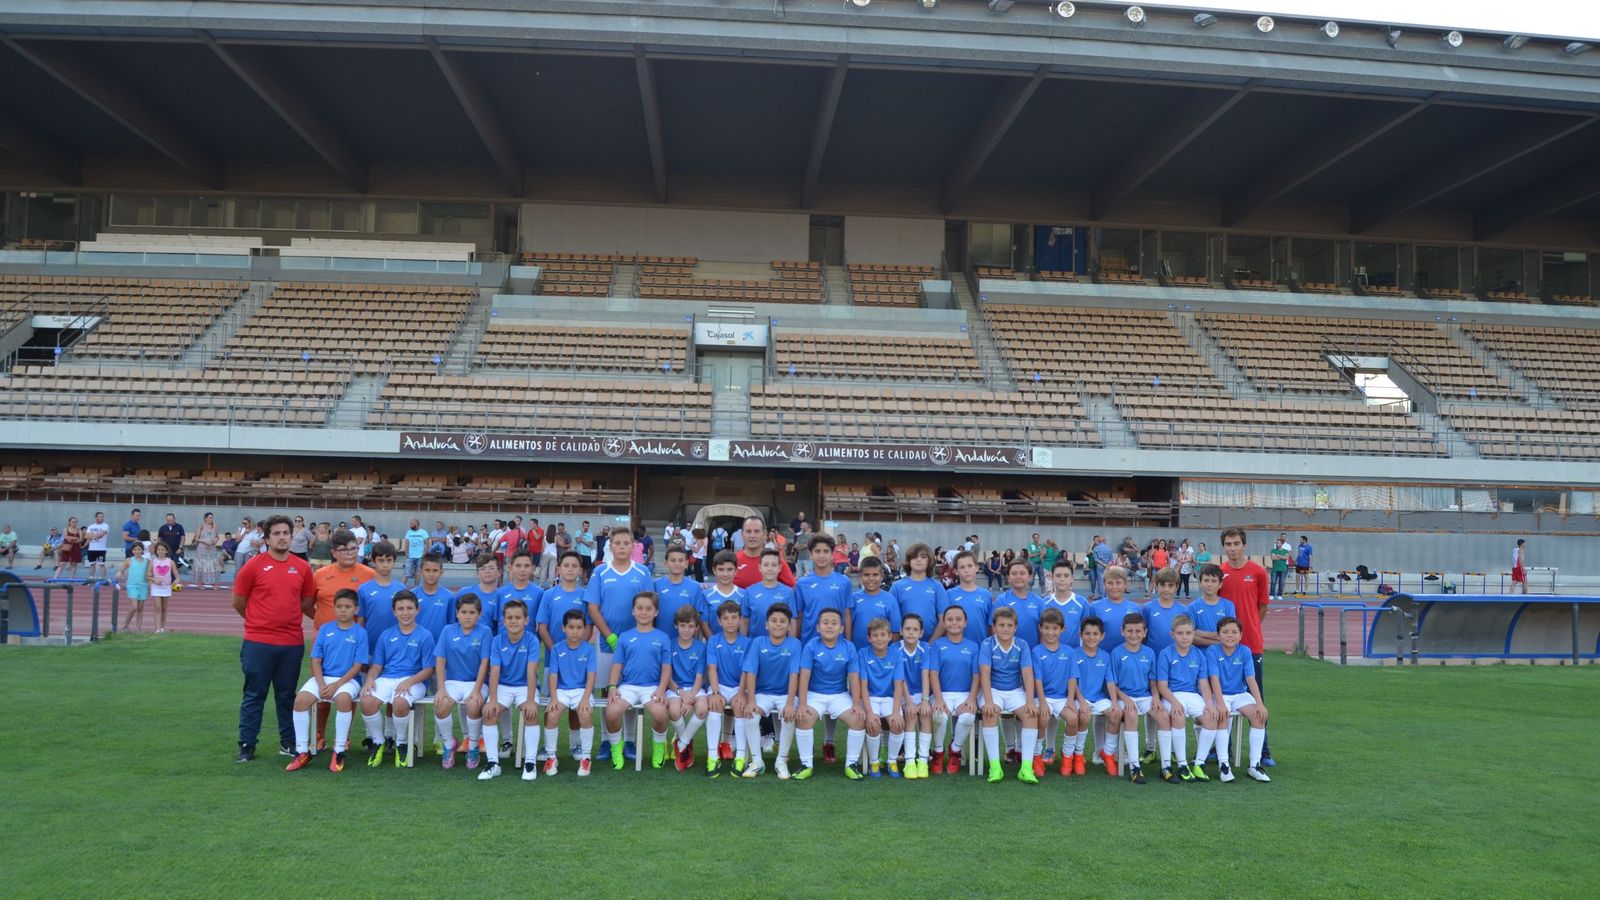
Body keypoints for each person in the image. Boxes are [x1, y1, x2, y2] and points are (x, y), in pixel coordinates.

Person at [231, 515, 316, 763]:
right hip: (258, 642)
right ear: (266, 539)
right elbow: (238, 601)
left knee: (286, 695)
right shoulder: (254, 565)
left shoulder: (302, 568)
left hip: (291, 643)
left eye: (285, 533)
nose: (281, 537)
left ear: (292, 536)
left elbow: (306, 602)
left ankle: (289, 742)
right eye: (276, 533)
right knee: (254, 694)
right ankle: (247, 744)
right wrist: (259, 622)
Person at [285, 590, 369, 773]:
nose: (343, 610)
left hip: (347, 680)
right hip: (323, 678)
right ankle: (301, 751)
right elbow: (316, 660)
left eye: (348, 607)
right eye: (339, 607)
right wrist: (322, 684)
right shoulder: (325, 629)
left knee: (343, 700)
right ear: (334, 608)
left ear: (356, 609)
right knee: (300, 701)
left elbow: (357, 665)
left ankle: (339, 751)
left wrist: (336, 685)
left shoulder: (360, 633)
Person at [1219, 527, 1272, 767]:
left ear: (1244, 545)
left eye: (1236, 543)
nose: (1232, 548)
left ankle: (1264, 751)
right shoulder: (1220, 573)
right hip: (1223, 647)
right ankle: (1219, 750)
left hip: (1250, 644)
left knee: (1255, 695)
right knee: (1221, 697)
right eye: (1228, 544)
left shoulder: (1258, 571)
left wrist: (1248, 628)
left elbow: (1262, 607)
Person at [794, 607, 866, 780]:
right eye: (825, 623)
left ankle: (851, 764)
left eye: (834, 623)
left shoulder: (849, 647)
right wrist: (802, 704)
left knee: (858, 719)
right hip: (814, 694)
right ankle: (806, 765)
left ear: (841, 628)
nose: (829, 626)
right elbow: (804, 677)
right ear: (818, 627)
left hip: (839, 695)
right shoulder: (811, 646)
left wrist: (856, 703)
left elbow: (854, 678)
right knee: (803, 717)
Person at [603, 591, 672, 770]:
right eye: (639, 608)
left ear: (656, 612)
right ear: (633, 611)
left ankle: (658, 746)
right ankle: (616, 746)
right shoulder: (625, 637)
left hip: (652, 687)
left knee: (659, 714)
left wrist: (661, 689)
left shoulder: (662, 637)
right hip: (628, 686)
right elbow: (617, 665)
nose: (643, 612)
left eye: (648, 609)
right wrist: (612, 687)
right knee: (611, 713)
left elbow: (666, 668)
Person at [736, 603, 803, 779]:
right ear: (767, 624)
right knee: (750, 714)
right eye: (774, 621)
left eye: (782, 621)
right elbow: (751, 672)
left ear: (789, 625)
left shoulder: (795, 645)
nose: (778, 624)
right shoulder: (758, 642)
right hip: (763, 693)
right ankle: (757, 761)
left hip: (785, 694)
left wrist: (789, 703)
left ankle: (781, 761)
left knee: (789, 716)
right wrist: (751, 700)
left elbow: (794, 675)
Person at [477, 598, 539, 782]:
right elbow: (494, 671)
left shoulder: (532, 641)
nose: (513, 621)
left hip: (525, 686)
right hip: (503, 685)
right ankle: (492, 763)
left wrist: (529, 700)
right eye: (509, 617)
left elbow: (531, 672)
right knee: (489, 713)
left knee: (531, 714)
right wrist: (493, 700)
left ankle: (530, 762)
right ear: (503, 620)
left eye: (518, 617)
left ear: (526, 620)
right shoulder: (497, 641)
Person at [1156, 613, 1220, 783]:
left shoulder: (1199, 655)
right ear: (1172, 635)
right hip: (1172, 695)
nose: (1185, 637)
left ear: (1193, 634)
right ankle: (1182, 764)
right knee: (1178, 716)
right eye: (1180, 633)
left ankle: (1199, 764)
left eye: (1188, 633)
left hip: (1192, 695)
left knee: (1211, 719)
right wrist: (1175, 702)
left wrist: (1209, 703)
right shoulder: (1165, 654)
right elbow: (1162, 686)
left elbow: (1204, 683)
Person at [1207, 617, 1271, 783]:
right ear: (1218, 635)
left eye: (1234, 632)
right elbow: (1214, 678)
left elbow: (1251, 679)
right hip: (1220, 694)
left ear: (1241, 635)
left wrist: (1260, 704)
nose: (1230, 635)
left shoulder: (1245, 651)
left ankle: (1254, 765)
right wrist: (1220, 703)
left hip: (1239, 694)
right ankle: (1224, 765)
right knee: (1222, 716)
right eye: (1225, 632)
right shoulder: (1213, 651)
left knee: (1259, 716)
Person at [979, 606, 1039, 784]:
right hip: (993, 690)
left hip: (1014, 690)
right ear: (994, 627)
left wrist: (1029, 701)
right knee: (990, 712)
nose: (1005, 628)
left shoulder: (1022, 645)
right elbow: (984, 674)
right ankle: (995, 766)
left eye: (1009, 625)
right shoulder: (987, 644)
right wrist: (989, 701)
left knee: (1030, 714)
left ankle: (1026, 768)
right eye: (1001, 625)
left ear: (1015, 627)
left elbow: (1027, 674)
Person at [433, 592, 490, 771]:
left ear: (479, 614)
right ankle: (449, 744)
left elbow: (484, 663)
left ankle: (473, 745)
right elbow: (440, 660)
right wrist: (441, 689)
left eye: (472, 612)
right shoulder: (448, 631)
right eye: (464, 612)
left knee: (474, 704)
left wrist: (476, 690)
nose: (467, 616)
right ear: (457, 613)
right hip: (453, 682)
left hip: (477, 682)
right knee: (441, 704)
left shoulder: (485, 631)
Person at [1104, 612, 1158, 784]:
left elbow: (1153, 681)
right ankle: (1135, 766)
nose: (1133, 635)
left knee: (1164, 716)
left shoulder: (1149, 653)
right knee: (1131, 714)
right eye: (1129, 631)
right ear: (1122, 632)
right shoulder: (1116, 653)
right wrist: (1125, 698)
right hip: (1124, 696)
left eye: (1138, 631)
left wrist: (1156, 697)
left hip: (1145, 696)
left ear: (1145, 632)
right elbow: (1112, 682)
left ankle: (1167, 765)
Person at [543, 609, 598, 777]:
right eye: (571, 627)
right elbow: (553, 675)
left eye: (579, 627)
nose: (575, 631)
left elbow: (591, 676)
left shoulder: (589, 650)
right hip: (562, 691)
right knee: (552, 714)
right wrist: (553, 698)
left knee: (585, 713)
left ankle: (586, 758)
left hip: (582, 690)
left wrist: (585, 698)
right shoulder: (557, 649)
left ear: (584, 630)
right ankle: (551, 757)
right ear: (563, 628)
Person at [925, 604, 979, 775]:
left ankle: (955, 750)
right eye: (950, 619)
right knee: (939, 716)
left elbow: (977, 676)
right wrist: (939, 699)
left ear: (965, 623)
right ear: (944, 622)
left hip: (965, 694)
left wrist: (971, 699)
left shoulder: (973, 646)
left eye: (958, 619)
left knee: (967, 718)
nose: (954, 622)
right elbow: (933, 674)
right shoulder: (937, 645)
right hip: (942, 693)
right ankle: (939, 752)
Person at [704, 599, 751, 777]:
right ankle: (712, 757)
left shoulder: (747, 642)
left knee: (739, 706)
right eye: (726, 618)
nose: (730, 621)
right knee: (715, 705)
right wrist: (715, 692)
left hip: (739, 686)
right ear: (719, 621)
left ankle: (739, 757)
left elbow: (747, 671)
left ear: (740, 620)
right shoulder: (713, 641)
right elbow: (712, 668)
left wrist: (740, 693)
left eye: (734, 617)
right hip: (720, 685)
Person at [1030, 607, 1078, 777]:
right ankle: (1036, 756)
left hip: (1063, 698)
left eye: (1055, 628)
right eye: (1047, 628)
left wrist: (1071, 701)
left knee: (1073, 718)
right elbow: (1038, 680)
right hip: (1043, 697)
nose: (1051, 632)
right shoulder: (1036, 651)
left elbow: (1072, 678)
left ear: (1062, 629)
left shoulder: (1069, 652)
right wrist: (1042, 702)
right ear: (1040, 628)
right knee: (1043, 717)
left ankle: (1067, 757)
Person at [1065, 616, 1110, 776]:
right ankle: (1075, 755)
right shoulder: (1074, 654)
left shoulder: (1105, 656)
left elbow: (1110, 681)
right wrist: (1082, 700)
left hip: (1098, 698)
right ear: (1080, 635)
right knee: (1083, 716)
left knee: (1116, 715)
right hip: (1079, 698)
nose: (1091, 637)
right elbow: (1073, 681)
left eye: (1095, 634)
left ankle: (1108, 753)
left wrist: (1116, 703)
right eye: (1087, 634)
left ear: (1102, 636)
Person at [665, 605, 709, 771]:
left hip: (695, 689)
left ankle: (682, 743)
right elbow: (667, 675)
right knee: (675, 711)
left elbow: (699, 677)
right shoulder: (669, 645)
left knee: (703, 708)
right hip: (676, 688)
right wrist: (680, 693)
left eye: (690, 626)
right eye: (682, 625)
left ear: (697, 628)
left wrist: (690, 698)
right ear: (676, 625)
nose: (686, 630)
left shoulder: (701, 648)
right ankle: (687, 744)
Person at [893, 612, 931, 778]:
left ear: (921, 633)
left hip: (921, 692)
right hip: (901, 693)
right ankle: (909, 761)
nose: (910, 632)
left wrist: (924, 700)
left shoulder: (925, 648)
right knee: (910, 715)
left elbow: (925, 674)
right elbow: (900, 678)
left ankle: (922, 760)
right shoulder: (895, 649)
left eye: (915, 629)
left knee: (925, 714)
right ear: (901, 631)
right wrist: (908, 701)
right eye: (907, 628)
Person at [357, 542, 404, 662]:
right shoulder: (364, 589)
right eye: (381, 560)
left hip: (396, 648)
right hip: (370, 648)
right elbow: (360, 621)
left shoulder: (401, 589)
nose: (385, 565)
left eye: (389, 560)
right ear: (373, 561)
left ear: (394, 562)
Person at [891, 543, 946, 641]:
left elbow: (943, 620)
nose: (919, 559)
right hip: (903, 645)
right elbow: (891, 619)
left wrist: (930, 645)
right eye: (914, 557)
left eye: (923, 557)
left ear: (929, 561)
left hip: (930, 645)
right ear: (909, 561)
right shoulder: (897, 586)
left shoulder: (937, 587)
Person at [742, 548, 795, 638]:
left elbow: (793, 620)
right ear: (759, 567)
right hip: (755, 645)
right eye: (766, 565)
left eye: (774, 565)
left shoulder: (788, 592)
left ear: (779, 568)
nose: (770, 569)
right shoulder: (750, 591)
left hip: (781, 646)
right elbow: (744, 620)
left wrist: (791, 644)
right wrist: (743, 644)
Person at [939, 551, 991, 642]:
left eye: (970, 566)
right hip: (955, 649)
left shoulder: (986, 595)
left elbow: (990, 624)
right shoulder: (948, 595)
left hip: (980, 648)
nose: (966, 570)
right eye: (962, 567)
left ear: (977, 568)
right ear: (956, 571)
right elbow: (943, 624)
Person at [654, 546, 705, 635]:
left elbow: (698, 618)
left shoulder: (695, 587)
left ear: (686, 563)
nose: (677, 563)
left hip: (685, 641)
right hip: (660, 639)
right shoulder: (656, 585)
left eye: (681, 560)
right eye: (673, 560)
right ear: (666, 563)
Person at [733, 516, 794, 589]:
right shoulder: (733, 561)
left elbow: (793, 588)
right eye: (748, 531)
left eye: (757, 531)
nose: (752, 536)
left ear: (765, 534)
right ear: (742, 534)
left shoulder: (776, 561)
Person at [1189, 564, 1236, 647]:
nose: (1209, 584)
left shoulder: (1228, 606)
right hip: (1201, 657)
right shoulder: (1192, 607)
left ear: (1220, 584)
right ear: (1200, 583)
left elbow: (1230, 634)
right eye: (1206, 580)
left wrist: (1201, 633)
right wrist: (1217, 639)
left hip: (1222, 656)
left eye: (1213, 581)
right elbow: (1191, 637)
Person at [414, 553, 456, 639]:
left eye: (435, 570)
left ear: (441, 572)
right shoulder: (412, 595)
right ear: (420, 571)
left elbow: (452, 624)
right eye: (427, 570)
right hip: (417, 644)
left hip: (440, 646)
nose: (431, 574)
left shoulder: (449, 596)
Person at [117, 541, 150, 632]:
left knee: (140, 608)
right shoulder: (129, 560)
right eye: (135, 549)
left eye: (139, 549)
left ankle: (139, 628)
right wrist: (119, 574)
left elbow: (149, 573)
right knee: (135, 607)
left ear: (142, 550)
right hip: (132, 586)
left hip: (143, 585)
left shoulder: (147, 561)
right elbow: (121, 570)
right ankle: (126, 625)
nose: (137, 551)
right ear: (132, 551)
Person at [147, 541, 176, 634]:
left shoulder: (170, 562)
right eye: (159, 550)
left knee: (164, 608)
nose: (160, 551)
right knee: (158, 607)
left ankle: (163, 627)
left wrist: (176, 581)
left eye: (162, 550)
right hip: (156, 587)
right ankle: (157, 628)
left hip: (167, 587)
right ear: (156, 551)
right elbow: (147, 576)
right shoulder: (153, 562)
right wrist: (154, 580)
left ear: (166, 551)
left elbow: (176, 575)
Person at [194, 513, 221, 589]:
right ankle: (202, 583)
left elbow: (217, 537)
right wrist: (205, 541)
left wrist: (213, 542)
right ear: (205, 518)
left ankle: (213, 583)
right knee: (202, 566)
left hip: (212, 548)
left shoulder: (215, 526)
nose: (211, 519)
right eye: (209, 518)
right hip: (202, 548)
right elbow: (196, 538)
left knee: (213, 565)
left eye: (212, 518)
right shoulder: (200, 526)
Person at [52, 515, 83, 579]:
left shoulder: (79, 530)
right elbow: (65, 536)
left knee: (74, 564)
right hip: (67, 548)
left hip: (76, 547)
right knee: (62, 563)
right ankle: (55, 578)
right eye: (73, 522)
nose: (75, 523)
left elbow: (81, 539)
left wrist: (74, 540)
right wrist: (75, 538)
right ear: (69, 522)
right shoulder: (66, 528)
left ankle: (71, 579)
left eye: (76, 522)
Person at [83, 512, 110, 581]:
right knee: (92, 565)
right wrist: (95, 536)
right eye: (100, 517)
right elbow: (86, 536)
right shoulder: (90, 526)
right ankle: (90, 579)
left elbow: (101, 535)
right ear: (96, 518)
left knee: (102, 565)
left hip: (101, 549)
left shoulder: (105, 526)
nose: (102, 518)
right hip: (91, 549)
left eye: (103, 517)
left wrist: (91, 536)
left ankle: (104, 579)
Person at [1269, 535, 1290, 601]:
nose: (1277, 544)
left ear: (1281, 544)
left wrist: (1278, 555)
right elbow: (1273, 558)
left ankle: (1279, 595)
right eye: (1276, 543)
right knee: (1273, 582)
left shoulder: (1286, 551)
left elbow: (1286, 557)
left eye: (1278, 543)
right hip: (1275, 569)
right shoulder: (1273, 550)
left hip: (1283, 569)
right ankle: (1272, 594)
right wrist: (1281, 557)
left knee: (1281, 583)